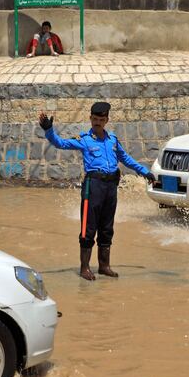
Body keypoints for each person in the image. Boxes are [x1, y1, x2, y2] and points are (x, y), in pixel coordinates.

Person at [39, 102, 156, 281]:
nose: (98, 122)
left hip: (111, 187)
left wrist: (145, 172)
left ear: (106, 120)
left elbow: (126, 159)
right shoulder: (85, 139)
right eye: (95, 119)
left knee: (107, 227)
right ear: (90, 119)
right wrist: (49, 129)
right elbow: (60, 143)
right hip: (93, 186)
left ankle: (104, 266)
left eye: (101, 119)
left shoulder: (112, 140)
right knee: (88, 227)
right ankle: (85, 268)